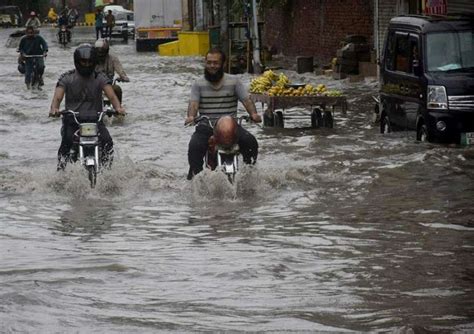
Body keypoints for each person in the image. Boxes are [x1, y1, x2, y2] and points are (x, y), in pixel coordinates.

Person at [185, 48, 262, 180]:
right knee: (194, 147)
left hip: (231, 126)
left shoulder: (234, 81)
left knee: (251, 142)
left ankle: (250, 174)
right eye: (209, 62)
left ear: (223, 64)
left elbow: (246, 100)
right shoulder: (198, 83)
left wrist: (254, 114)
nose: (212, 66)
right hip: (206, 127)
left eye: (215, 63)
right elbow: (193, 103)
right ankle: (195, 180)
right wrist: (191, 117)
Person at [49, 44, 126, 170]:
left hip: (96, 120)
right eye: (83, 62)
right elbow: (57, 97)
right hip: (73, 121)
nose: (86, 64)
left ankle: (107, 173)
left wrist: (118, 108)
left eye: (90, 62)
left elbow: (111, 95)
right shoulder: (67, 78)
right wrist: (54, 109)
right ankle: (60, 172)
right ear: (77, 61)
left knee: (108, 142)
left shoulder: (100, 77)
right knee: (66, 144)